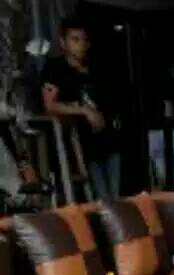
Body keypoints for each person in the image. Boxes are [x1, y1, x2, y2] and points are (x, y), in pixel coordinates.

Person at [41, 16, 120, 200]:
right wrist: (84, 110)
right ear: (63, 42)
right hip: (82, 145)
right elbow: (50, 105)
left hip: (108, 140)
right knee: (101, 199)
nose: (81, 45)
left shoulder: (95, 67)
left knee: (115, 199)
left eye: (84, 40)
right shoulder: (55, 68)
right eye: (75, 40)